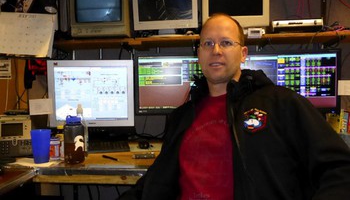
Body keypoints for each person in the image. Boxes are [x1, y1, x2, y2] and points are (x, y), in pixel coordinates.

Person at [119, 13, 350, 200]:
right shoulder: (182, 117)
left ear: (243, 53)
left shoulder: (281, 103)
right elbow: (155, 183)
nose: (216, 50)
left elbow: (340, 168)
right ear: (199, 54)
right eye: (207, 43)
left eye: (226, 43)